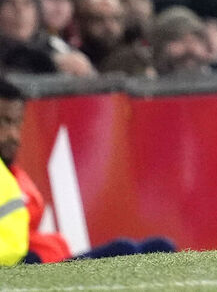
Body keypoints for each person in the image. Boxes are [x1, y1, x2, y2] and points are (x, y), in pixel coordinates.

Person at [0, 76, 174, 262]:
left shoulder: (15, 177)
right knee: (126, 248)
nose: (13, 135)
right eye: (3, 123)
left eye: (17, 123)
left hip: (50, 259)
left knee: (160, 246)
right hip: (32, 265)